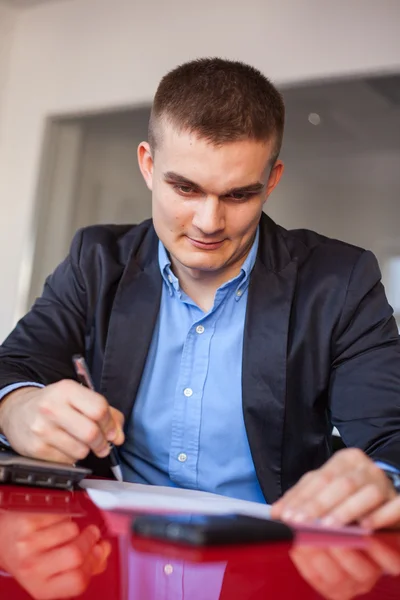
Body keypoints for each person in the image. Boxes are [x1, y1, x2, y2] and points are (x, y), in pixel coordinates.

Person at [0, 58, 400, 530]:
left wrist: (385, 479)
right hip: (106, 547)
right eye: (185, 188)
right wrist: (17, 407)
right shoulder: (97, 260)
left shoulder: (340, 282)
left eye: (237, 195)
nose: (209, 223)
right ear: (148, 166)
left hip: (265, 559)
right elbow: (14, 366)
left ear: (270, 182)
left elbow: (391, 438)